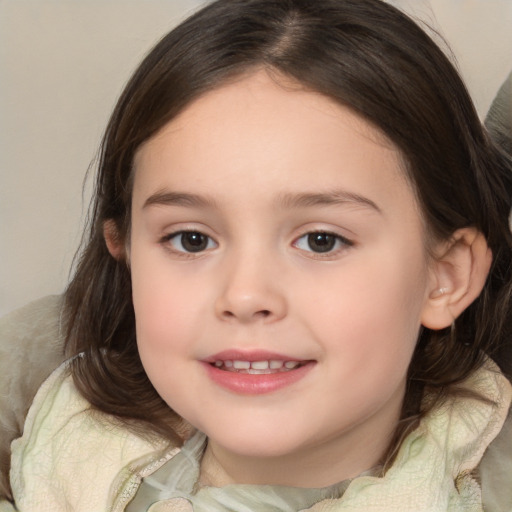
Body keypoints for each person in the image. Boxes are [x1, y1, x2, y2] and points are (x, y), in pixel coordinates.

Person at [2, 0, 512, 510]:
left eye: (321, 240)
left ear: (445, 276)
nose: (245, 295)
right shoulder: (42, 431)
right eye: (192, 239)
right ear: (125, 249)